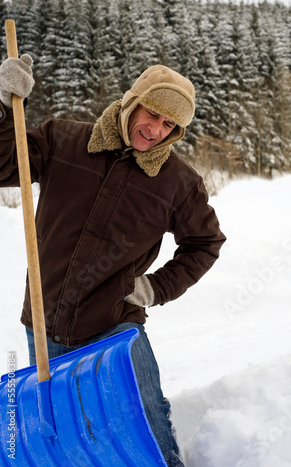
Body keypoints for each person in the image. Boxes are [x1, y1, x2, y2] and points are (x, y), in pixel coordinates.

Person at [0, 55, 226, 466]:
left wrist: (156, 288)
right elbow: (2, 164)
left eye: (170, 126)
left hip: (115, 326)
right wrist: (2, 105)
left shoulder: (178, 183)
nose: (156, 131)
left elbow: (205, 242)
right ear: (132, 102)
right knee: (68, 432)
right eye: (153, 114)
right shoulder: (63, 140)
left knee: (145, 420)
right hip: (44, 317)